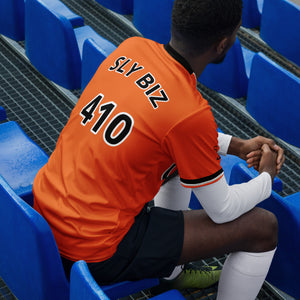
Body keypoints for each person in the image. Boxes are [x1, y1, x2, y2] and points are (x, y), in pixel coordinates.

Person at [33, 0, 285, 299]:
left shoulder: (131, 49)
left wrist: (236, 146)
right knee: (262, 227)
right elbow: (223, 209)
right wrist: (266, 178)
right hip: (95, 248)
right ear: (223, 45)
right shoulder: (190, 112)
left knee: (176, 162)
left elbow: (164, 130)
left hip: (48, 217)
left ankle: (171, 275)